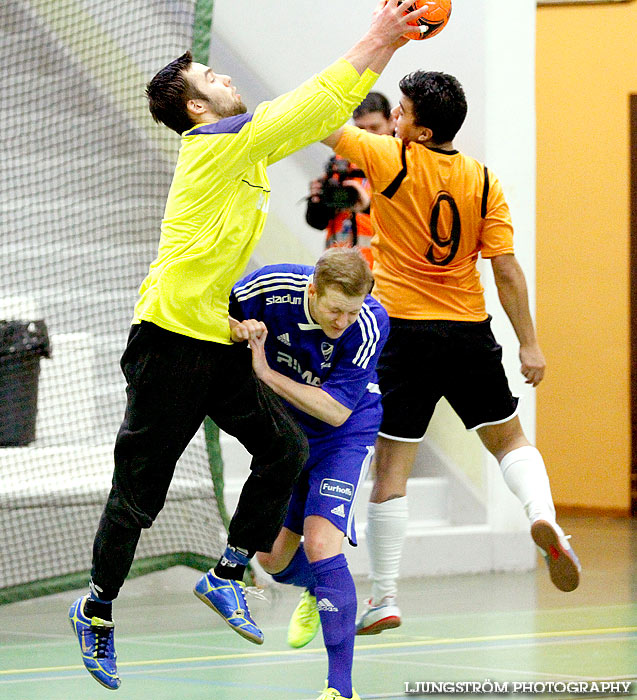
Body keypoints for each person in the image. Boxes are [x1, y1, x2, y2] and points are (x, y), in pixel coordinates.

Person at [67, 2, 433, 690]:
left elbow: (322, 104)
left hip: (213, 333)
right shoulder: (222, 141)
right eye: (211, 75)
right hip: (168, 341)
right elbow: (317, 102)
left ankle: (229, 572)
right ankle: (96, 608)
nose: (225, 75)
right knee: (136, 498)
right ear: (200, 110)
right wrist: (384, 34)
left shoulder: (240, 145)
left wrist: (388, 43)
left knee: (284, 449)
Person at [321, 70, 582, 636]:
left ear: (420, 129)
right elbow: (506, 270)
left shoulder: (392, 158)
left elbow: (319, 120)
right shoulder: (484, 181)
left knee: (392, 468)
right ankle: (543, 517)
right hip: (468, 331)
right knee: (509, 439)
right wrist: (530, 343)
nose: (396, 118)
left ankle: (385, 595)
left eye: (404, 111)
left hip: (402, 336)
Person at [229, 248, 388, 700]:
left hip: (344, 435)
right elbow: (217, 319)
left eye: (351, 312)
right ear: (313, 290)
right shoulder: (270, 287)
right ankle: (318, 589)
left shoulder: (370, 323)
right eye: (335, 310)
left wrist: (264, 372)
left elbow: (336, 411)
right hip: (288, 433)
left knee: (321, 544)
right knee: (270, 559)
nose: (343, 322)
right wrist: (237, 329)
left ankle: (340, 688)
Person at [305, 92, 395, 268]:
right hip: (339, 270)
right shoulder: (340, 163)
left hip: (383, 273)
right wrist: (317, 201)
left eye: (374, 128)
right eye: (360, 129)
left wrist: (368, 207)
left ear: (391, 122)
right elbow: (317, 222)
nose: (367, 136)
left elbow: (411, 224)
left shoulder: (403, 166)